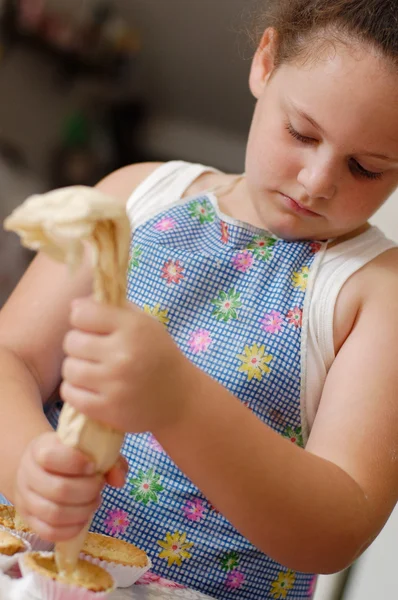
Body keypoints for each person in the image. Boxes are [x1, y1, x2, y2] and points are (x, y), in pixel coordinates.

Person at [1, 0, 398, 598]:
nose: (317, 182)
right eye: (301, 133)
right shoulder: (136, 197)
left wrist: (178, 401)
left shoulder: (375, 293)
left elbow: (338, 526)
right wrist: (28, 460)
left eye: (366, 168)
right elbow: (13, 357)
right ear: (265, 63)